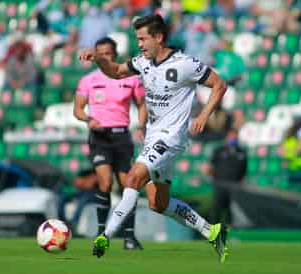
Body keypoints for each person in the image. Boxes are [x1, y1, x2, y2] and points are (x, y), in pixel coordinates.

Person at [79, 14, 228, 262]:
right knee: (158, 203)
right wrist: (99, 59)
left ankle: (105, 236)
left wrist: (202, 115)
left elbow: (219, 84)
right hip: (153, 137)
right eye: (137, 39)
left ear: (158, 38)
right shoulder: (143, 62)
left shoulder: (185, 64)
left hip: (170, 138)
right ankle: (211, 231)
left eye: (142, 38)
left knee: (134, 178)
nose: (139, 44)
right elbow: (116, 72)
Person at [74, 37, 146, 250]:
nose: (105, 57)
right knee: (104, 183)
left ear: (115, 54)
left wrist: (142, 126)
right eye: (101, 53)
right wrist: (88, 119)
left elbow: (142, 104)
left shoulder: (130, 78)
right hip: (100, 137)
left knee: (128, 185)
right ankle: (101, 232)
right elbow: (77, 109)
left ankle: (129, 237)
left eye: (108, 53)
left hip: (122, 136)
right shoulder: (88, 80)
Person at [207, 128, 247, 224]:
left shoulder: (241, 152)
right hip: (220, 185)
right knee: (217, 208)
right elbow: (210, 167)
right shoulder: (219, 151)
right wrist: (214, 180)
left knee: (233, 209)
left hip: (235, 186)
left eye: (235, 136)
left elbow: (244, 170)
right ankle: (212, 230)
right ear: (227, 138)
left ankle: (232, 231)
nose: (233, 138)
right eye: (231, 136)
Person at [282, 116, 301, 184]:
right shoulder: (294, 132)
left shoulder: (300, 131)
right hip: (295, 167)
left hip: (299, 167)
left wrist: (289, 157)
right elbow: (300, 147)